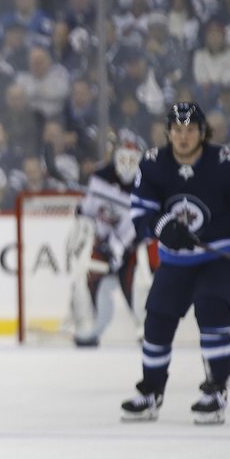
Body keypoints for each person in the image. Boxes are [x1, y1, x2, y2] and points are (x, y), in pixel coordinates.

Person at [121, 102, 230, 425]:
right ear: (168, 133)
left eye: (191, 130)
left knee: (211, 308)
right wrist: (163, 227)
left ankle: (215, 390)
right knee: (157, 320)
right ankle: (151, 391)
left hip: (222, 256)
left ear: (203, 133)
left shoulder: (226, 164)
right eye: (177, 130)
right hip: (177, 260)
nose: (184, 137)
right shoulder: (153, 163)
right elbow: (141, 213)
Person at [67, 129, 155, 347]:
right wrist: (88, 227)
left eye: (131, 159)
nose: (126, 163)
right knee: (82, 279)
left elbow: (139, 225)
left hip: (133, 247)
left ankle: (147, 329)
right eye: (122, 158)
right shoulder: (100, 178)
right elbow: (88, 211)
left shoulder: (147, 186)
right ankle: (86, 327)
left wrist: (119, 247)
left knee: (142, 282)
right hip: (103, 241)